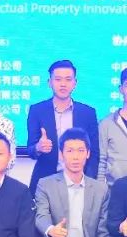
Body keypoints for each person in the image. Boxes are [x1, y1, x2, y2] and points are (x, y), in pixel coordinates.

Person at [27, 60, 100, 193]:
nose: (63, 84)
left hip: (79, 183)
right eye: (58, 79)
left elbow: (94, 152)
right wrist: (38, 147)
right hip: (46, 182)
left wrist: (89, 182)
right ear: (50, 82)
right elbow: (30, 150)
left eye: (68, 79)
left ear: (74, 83)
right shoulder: (37, 110)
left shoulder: (88, 113)